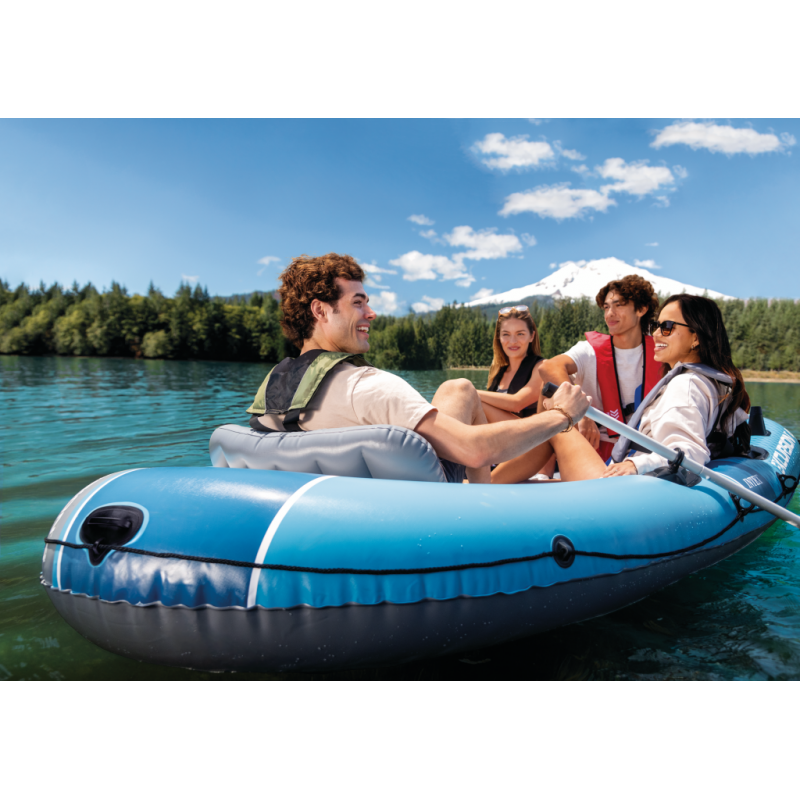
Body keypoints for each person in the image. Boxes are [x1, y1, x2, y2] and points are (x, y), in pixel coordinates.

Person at [246, 252, 590, 484]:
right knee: (461, 389)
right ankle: (484, 505)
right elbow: (475, 450)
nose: (371, 314)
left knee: (458, 388)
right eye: (358, 303)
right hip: (426, 500)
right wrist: (561, 415)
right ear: (320, 311)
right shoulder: (367, 386)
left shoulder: (273, 389)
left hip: (345, 496)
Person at [495, 294, 751, 482]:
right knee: (556, 415)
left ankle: (488, 484)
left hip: (616, 490)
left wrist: (635, 465)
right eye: (656, 326)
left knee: (556, 418)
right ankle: (503, 481)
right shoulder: (711, 382)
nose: (656, 334)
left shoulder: (686, 385)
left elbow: (689, 453)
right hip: (624, 482)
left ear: (696, 337)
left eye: (667, 327)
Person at [539, 275, 661, 460]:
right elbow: (548, 367)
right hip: (595, 446)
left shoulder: (662, 352)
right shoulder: (589, 350)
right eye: (606, 307)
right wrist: (581, 411)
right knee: (546, 389)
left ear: (641, 309)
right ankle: (544, 470)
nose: (609, 314)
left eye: (618, 305)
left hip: (647, 449)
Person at [476, 305, 543, 422]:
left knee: (462, 391)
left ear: (531, 336)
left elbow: (517, 403)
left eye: (520, 334)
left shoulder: (541, 367)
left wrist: (468, 392)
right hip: (494, 431)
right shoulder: (498, 373)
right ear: (499, 337)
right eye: (506, 334)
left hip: (526, 431)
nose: (513, 341)